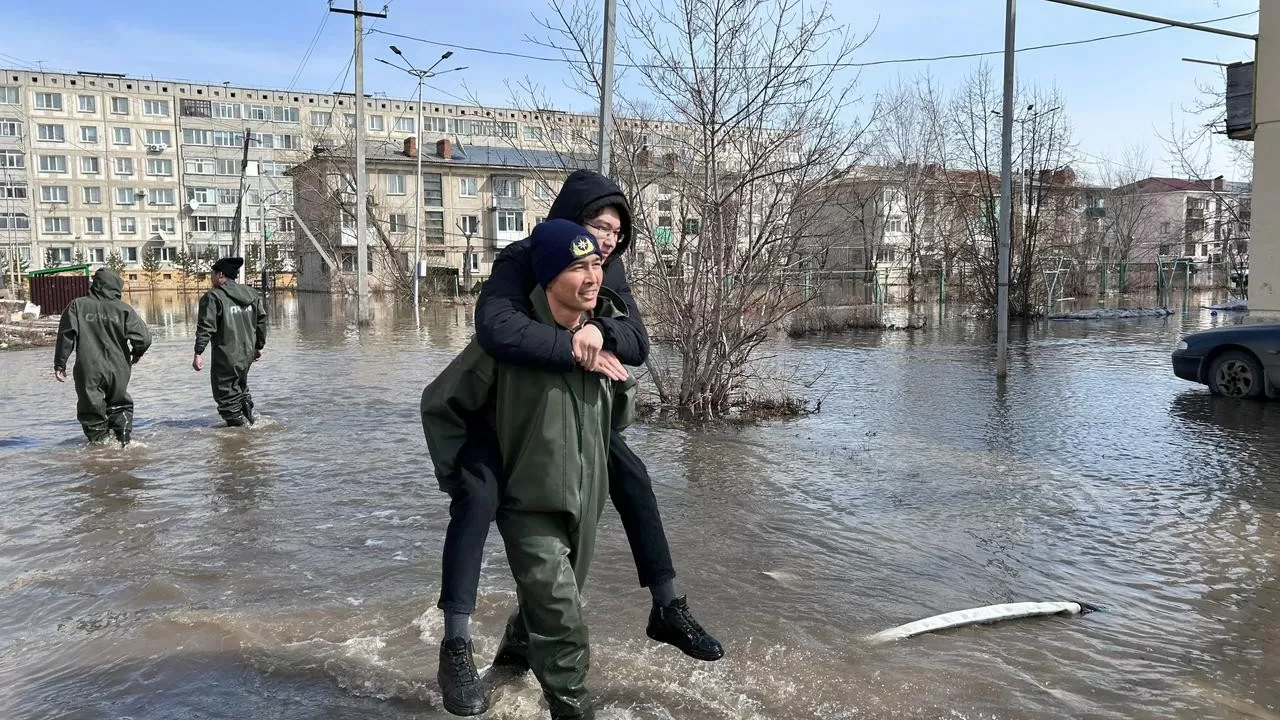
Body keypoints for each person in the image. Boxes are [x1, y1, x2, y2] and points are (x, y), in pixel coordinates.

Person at [474, 170, 723, 660]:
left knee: (630, 477)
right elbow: (496, 328)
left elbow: (638, 342)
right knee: (475, 505)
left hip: (577, 415)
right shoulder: (521, 258)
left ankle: (666, 605)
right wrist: (573, 346)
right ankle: (457, 643)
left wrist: (603, 332)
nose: (607, 241)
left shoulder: (610, 269)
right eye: (598, 226)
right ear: (570, 219)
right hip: (513, 414)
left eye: (616, 231)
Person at [422, 220, 635, 719]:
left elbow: (620, 418)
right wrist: (466, 483)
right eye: (576, 267)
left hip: (585, 504)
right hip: (529, 505)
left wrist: (613, 372)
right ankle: (572, 708)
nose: (592, 277)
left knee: (555, 601)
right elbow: (440, 404)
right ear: (546, 278)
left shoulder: (602, 335)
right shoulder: (509, 346)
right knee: (564, 618)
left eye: (596, 264)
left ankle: (509, 668)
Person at [52, 268, 151, 445]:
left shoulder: (76, 306)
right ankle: (124, 443)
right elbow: (144, 338)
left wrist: (60, 364)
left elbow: (66, 336)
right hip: (119, 367)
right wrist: (137, 353)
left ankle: (101, 448)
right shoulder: (124, 309)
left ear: (96, 284)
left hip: (88, 368)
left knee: (91, 408)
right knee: (120, 404)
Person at [192, 257, 267, 426]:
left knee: (225, 396)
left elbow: (206, 327)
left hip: (226, 356)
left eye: (212, 273)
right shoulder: (252, 294)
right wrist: (258, 347)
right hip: (246, 354)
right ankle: (251, 425)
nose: (210, 277)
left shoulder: (213, 297)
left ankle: (240, 436)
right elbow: (261, 322)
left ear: (220, 275)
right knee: (240, 388)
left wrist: (198, 352)